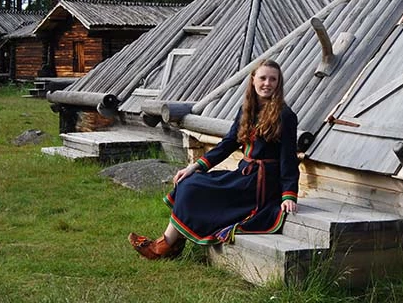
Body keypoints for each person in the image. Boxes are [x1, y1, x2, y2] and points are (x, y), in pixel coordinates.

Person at [128, 59, 299, 259]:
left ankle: (163, 247)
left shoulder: (285, 115)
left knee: (195, 190)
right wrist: (195, 166)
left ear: (279, 83)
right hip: (244, 176)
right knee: (190, 182)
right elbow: (228, 144)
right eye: (263, 78)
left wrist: (289, 194)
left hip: (261, 187)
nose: (267, 83)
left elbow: (288, 158)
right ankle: (169, 244)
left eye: (273, 79)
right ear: (253, 80)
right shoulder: (246, 110)